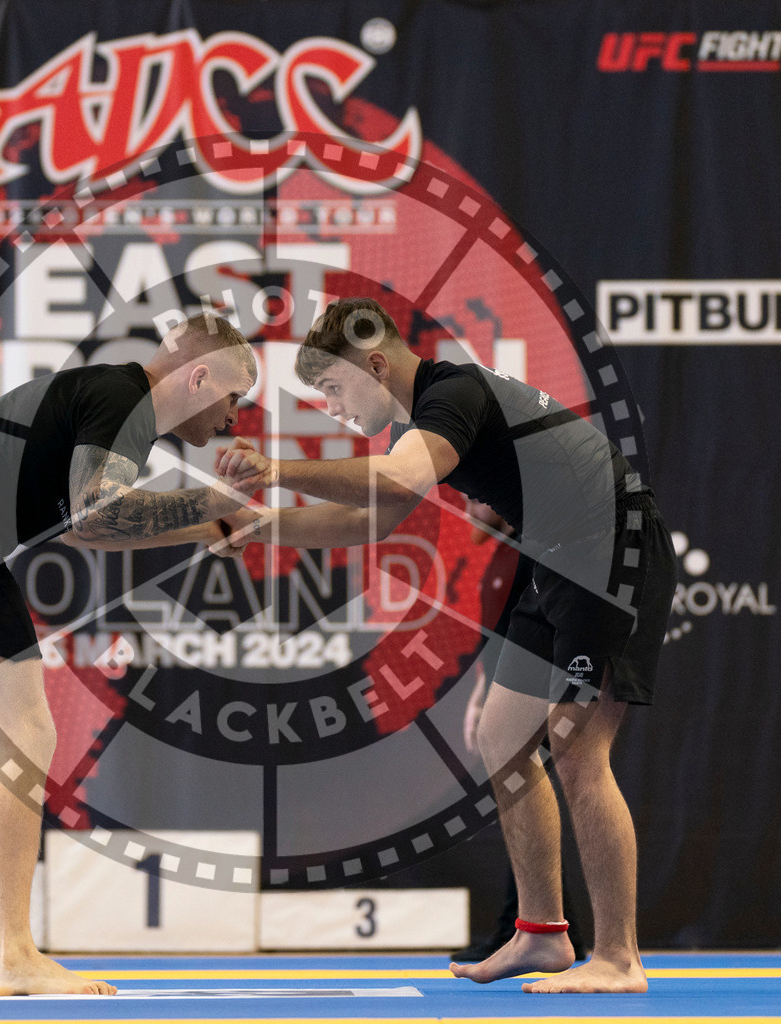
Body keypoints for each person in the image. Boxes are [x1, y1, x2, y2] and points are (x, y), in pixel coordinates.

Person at [217, 296, 677, 994]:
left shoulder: (453, 391)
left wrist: (277, 469)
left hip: (612, 548)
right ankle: (541, 934)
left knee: (578, 750)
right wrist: (270, 525)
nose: (334, 409)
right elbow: (372, 519)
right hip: (555, 556)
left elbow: (396, 481)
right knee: (503, 737)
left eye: (334, 390)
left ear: (374, 363)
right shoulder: (426, 417)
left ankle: (619, 956)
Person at [0, 313, 261, 997]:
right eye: (235, 398)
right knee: (27, 733)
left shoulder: (106, 402)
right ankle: (17, 954)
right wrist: (212, 500)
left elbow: (86, 529)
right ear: (198, 378)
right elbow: (96, 514)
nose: (234, 417)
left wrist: (206, 523)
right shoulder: (123, 401)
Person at [455, 499, 587, 965]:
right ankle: (550, 924)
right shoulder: (498, 555)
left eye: (476, 496)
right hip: (507, 693)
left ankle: (528, 924)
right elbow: (495, 638)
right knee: (521, 802)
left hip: (536, 693)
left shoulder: (528, 556)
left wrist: (550, 699)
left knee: (524, 799)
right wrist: (480, 695)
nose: (467, 505)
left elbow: (539, 635)